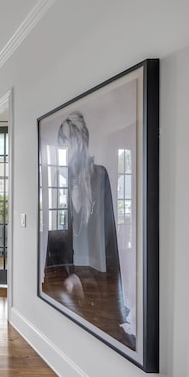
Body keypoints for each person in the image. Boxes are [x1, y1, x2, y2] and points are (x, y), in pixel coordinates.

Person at [44, 111, 133, 349]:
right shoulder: (61, 176)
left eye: (68, 141)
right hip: (66, 266)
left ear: (80, 142)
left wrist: (94, 273)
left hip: (96, 270)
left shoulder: (99, 175)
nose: (64, 148)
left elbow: (106, 232)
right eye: (61, 143)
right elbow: (56, 225)